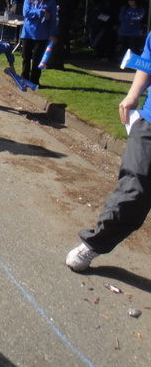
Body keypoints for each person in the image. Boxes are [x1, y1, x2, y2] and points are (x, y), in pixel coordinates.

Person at [66, 31, 151, 271]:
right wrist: (133, 94)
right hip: (149, 122)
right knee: (134, 191)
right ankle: (94, 244)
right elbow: (148, 61)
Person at [20, 0, 57, 86]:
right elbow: (26, 13)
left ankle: (34, 81)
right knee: (26, 58)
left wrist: (52, 34)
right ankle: (24, 79)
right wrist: (41, 12)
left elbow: (53, 19)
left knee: (37, 59)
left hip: (42, 34)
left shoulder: (50, 1)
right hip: (27, 33)